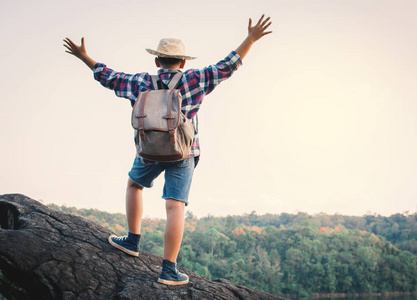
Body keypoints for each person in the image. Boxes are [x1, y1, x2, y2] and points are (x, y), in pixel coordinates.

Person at [63, 15, 272, 285]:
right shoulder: (195, 79)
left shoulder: (141, 82)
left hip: (148, 150)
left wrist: (84, 57)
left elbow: (110, 77)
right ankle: (168, 270)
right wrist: (251, 39)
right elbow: (226, 66)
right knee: (175, 207)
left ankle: (132, 240)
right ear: (183, 62)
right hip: (184, 152)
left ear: (156, 61)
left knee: (134, 185)